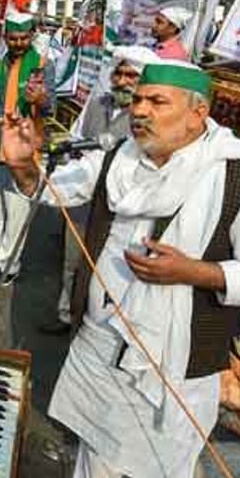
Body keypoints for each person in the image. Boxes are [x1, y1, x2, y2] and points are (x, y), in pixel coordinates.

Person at [0, 60, 240, 478]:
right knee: (97, 422)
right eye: (138, 100)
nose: (139, 111)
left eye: (157, 102)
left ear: (197, 113)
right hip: (100, 331)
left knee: (168, 456)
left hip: (177, 351)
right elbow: (55, 190)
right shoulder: (120, 155)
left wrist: (194, 272)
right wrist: (23, 165)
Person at [42, 46, 160, 336]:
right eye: (118, 73)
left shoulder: (149, 117)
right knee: (72, 261)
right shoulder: (97, 103)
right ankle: (67, 315)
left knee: (106, 267)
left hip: (119, 210)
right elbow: (76, 137)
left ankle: (98, 323)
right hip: (84, 197)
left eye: (130, 75)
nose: (121, 80)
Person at [0, 8, 50, 283]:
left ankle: (8, 264)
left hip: (22, 149)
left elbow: (52, 109)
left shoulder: (42, 64)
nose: (18, 43)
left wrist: (40, 100)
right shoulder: (1, 62)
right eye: (13, 38)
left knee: (16, 211)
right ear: (5, 37)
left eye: (23, 38)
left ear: (31, 36)